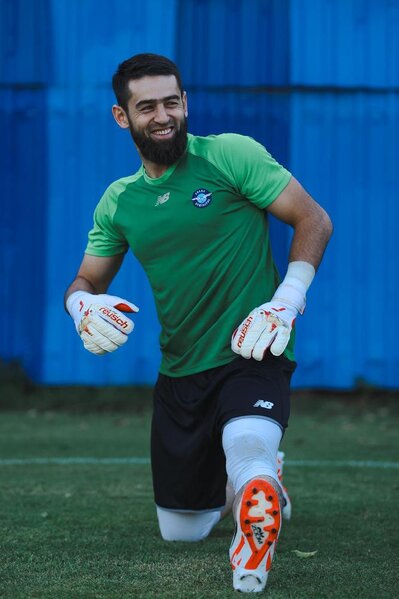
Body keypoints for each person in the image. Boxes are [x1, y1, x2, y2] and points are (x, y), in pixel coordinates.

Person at [64, 53, 332, 593]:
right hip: (181, 369)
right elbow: (86, 280)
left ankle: (257, 482)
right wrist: (81, 308)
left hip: (252, 348)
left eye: (171, 102)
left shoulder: (230, 155)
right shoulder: (119, 202)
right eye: (147, 107)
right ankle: (257, 481)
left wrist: (287, 300)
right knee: (181, 531)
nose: (162, 115)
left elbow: (313, 218)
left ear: (185, 103)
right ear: (123, 117)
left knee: (247, 444)